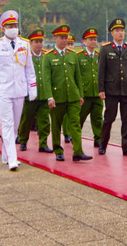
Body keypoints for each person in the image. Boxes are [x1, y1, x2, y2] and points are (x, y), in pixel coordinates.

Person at [0, 10, 37, 171]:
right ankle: (13, 159)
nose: (13, 28)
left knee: (15, 126)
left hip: (19, 90)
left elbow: (29, 69)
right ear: (3, 28)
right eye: (9, 25)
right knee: (7, 124)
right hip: (3, 90)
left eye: (15, 25)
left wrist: (32, 87)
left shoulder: (25, 44)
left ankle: (6, 155)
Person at [42, 25, 92, 162]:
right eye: (62, 38)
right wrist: (49, 97)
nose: (64, 40)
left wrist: (80, 94)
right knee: (56, 125)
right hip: (57, 98)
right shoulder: (48, 57)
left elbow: (78, 77)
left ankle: (78, 151)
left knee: (75, 124)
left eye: (66, 38)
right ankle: (58, 150)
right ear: (55, 38)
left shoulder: (72, 55)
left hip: (73, 96)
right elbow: (46, 80)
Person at [97, 18, 127, 156]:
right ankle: (103, 144)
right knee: (109, 119)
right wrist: (101, 89)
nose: (120, 33)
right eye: (117, 31)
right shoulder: (105, 49)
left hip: (126, 89)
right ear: (112, 33)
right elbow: (101, 72)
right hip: (111, 91)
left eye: (122, 30)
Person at [18, 29, 52, 152]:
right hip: (29, 96)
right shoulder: (25, 56)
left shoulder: (46, 56)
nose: (39, 44)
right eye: (36, 42)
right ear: (30, 43)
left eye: (41, 41)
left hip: (43, 94)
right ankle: (23, 141)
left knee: (44, 121)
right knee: (26, 120)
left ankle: (43, 143)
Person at [78, 27, 104, 150]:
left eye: (95, 39)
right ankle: (76, 137)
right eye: (90, 39)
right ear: (85, 41)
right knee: (80, 118)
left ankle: (98, 139)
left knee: (98, 118)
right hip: (85, 93)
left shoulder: (100, 56)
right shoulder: (79, 56)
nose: (93, 42)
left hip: (98, 93)